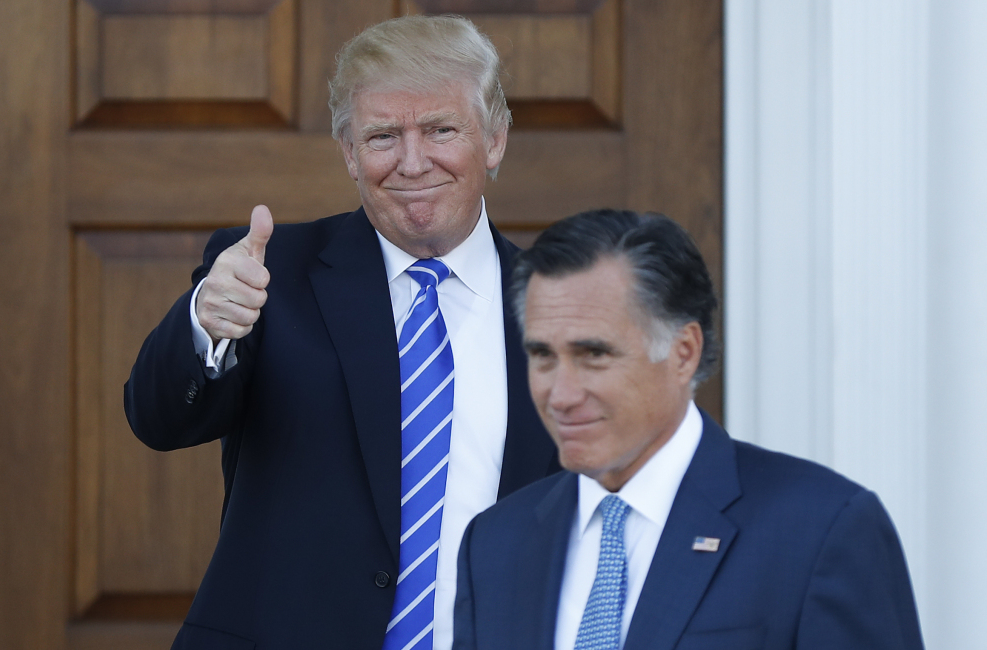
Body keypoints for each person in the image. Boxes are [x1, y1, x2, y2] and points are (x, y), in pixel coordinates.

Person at [124, 15, 558, 650]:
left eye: (441, 129)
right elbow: (159, 420)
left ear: (494, 140)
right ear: (351, 153)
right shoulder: (270, 276)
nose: (413, 162)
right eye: (383, 136)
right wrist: (204, 324)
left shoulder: (555, 304)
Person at [453, 209, 924, 650]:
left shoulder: (822, 529)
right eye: (543, 356)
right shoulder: (495, 544)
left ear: (683, 352)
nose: (562, 394)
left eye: (594, 355)